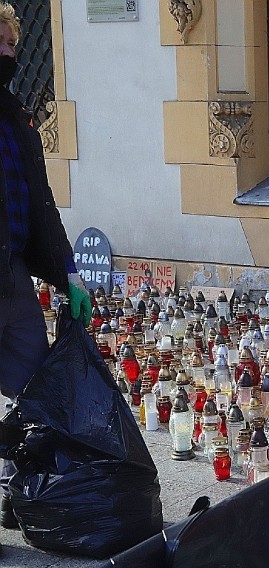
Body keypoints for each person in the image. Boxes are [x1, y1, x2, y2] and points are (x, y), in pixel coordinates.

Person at [0, 2, 91, 540]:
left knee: (34, 390)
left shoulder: (14, 117)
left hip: (12, 278)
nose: (12, 52)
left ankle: (18, 491)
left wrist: (69, 274)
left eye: (13, 43)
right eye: (5, 43)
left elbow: (40, 205)